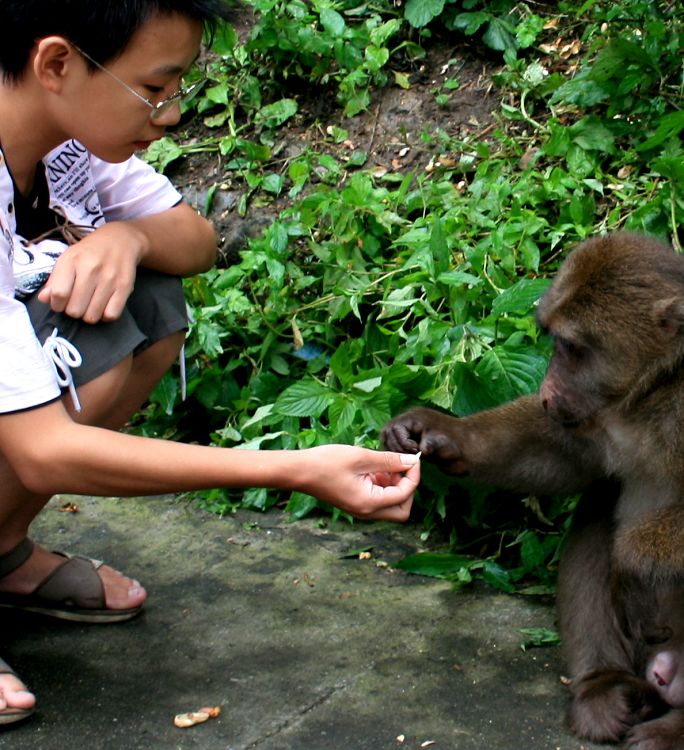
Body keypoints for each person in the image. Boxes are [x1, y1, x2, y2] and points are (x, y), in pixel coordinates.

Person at [0, 0, 420, 724]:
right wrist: (295, 469)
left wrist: (127, 240)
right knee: (90, 343)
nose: (168, 115)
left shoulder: (62, 141)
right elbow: (44, 452)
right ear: (58, 64)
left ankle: (1, 553)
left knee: (148, 305)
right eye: (153, 89)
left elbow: (194, 238)